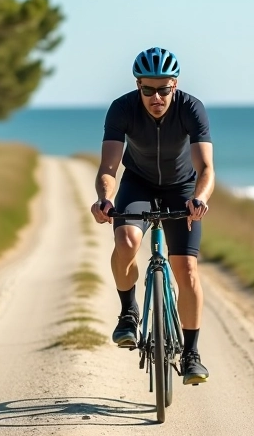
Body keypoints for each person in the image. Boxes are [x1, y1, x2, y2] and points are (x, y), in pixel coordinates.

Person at [90, 46, 215, 385]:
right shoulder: (122, 109)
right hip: (138, 184)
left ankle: (191, 354)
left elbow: (205, 168)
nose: (156, 96)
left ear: (175, 85)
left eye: (164, 88)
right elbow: (109, 166)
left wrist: (200, 198)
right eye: (148, 89)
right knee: (127, 240)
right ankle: (129, 311)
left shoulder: (192, 108)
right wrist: (104, 199)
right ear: (137, 86)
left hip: (182, 187)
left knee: (186, 269)